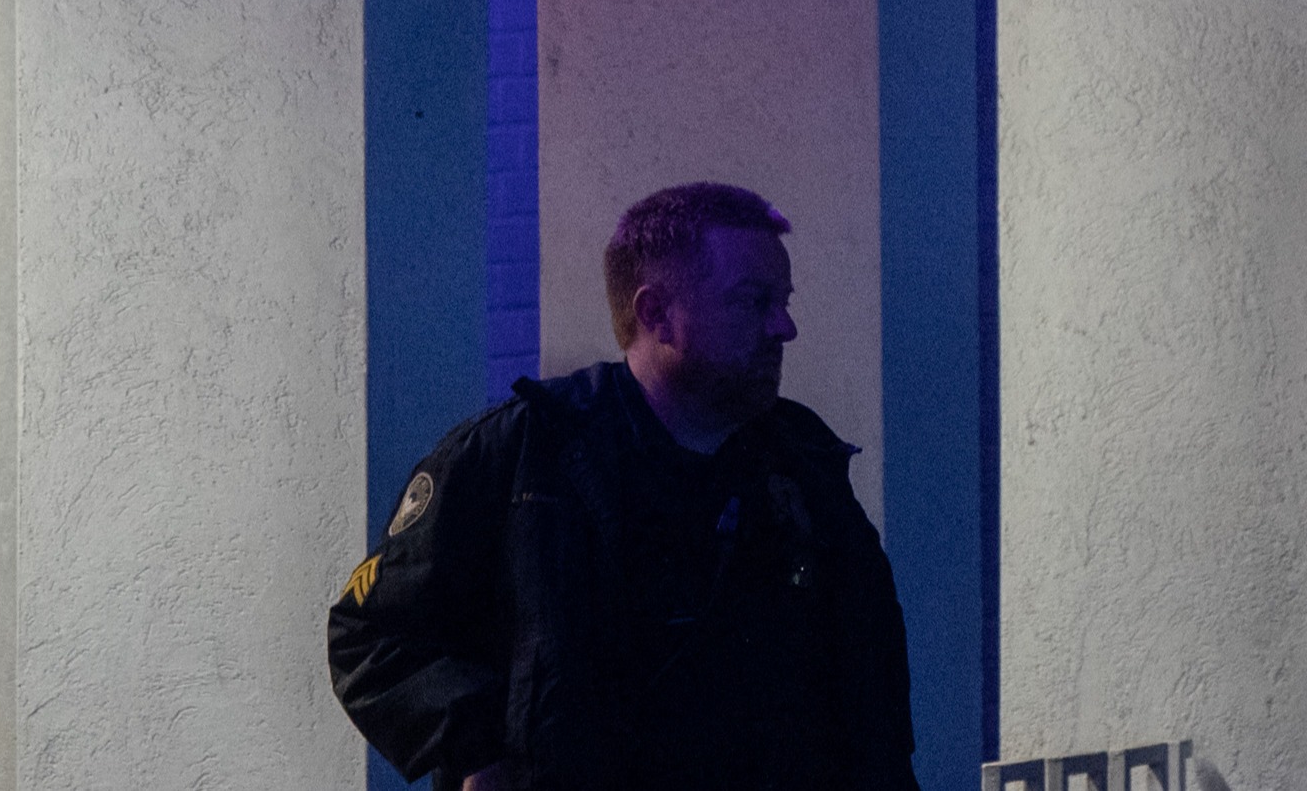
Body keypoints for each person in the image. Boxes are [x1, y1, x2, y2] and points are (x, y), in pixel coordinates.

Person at [327, 182, 912, 790]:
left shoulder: (802, 466)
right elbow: (368, 636)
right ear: (656, 314)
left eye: (783, 301)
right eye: (753, 301)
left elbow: (871, 688)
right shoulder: (525, 456)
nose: (783, 327)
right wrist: (478, 748)